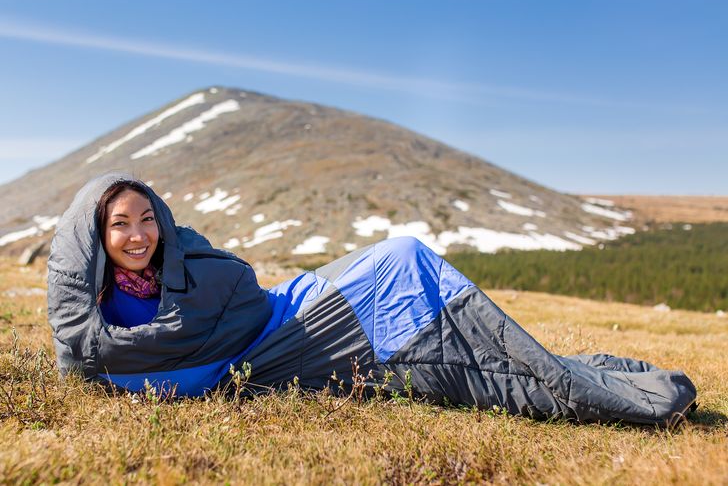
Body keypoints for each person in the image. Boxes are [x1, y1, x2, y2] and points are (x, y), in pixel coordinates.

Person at [47, 173, 697, 426]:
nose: (139, 235)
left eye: (147, 218)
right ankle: (574, 379)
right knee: (409, 280)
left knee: (403, 261)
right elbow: (88, 357)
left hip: (299, 312)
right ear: (97, 238)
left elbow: (245, 297)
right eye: (120, 225)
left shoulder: (184, 270)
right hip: (300, 339)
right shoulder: (101, 325)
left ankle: (575, 377)